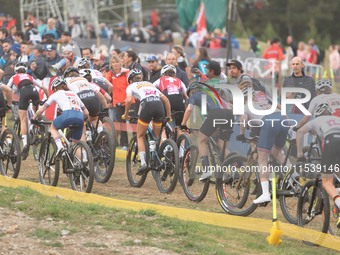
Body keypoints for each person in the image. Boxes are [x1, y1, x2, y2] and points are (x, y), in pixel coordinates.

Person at [235, 80, 289, 204]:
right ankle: (294, 176)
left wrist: (241, 134)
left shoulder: (245, 106)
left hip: (269, 123)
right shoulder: (263, 101)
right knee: (277, 154)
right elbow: (278, 106)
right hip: (282, 120)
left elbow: (243, 119)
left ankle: (265, 193)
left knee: (262, 159)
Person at [296, 103, 340, 227]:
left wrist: (299, 154)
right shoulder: (337, 119)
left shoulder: (316, 120)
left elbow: (300, 132)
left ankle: (338, 203)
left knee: (326, 182)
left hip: (331, 141)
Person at [180, 82, 233, 180]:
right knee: (222, 146)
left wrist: (183, 124)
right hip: (230, 114)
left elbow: (188, 110)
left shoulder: (194, 95)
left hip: (216, 113)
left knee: (201, 141)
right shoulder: (212, 94)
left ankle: (207, 170)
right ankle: (235, 171)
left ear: (191, 92)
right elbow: (231, 107)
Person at [122, 69, 171, 175]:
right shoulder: (149, 84)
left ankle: (144, 163)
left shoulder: (131, 86)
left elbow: (129, 100)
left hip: (147, 105)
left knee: (140, 135)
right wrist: (169, 117)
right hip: (159, 105)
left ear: (130, 81)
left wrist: (126, 114)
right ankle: (156, 156)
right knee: (156, 136)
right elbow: (166, 100)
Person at [32, 77, 88, 156]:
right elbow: (86, 112)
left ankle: (60, 146)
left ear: (55, 88)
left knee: (53, 127)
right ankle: (82, 165)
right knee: (75, 145)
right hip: (80, 117)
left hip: (67, 114)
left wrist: (34, 119)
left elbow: (41, 110)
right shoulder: (74, 94)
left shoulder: (56, 94)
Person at [6, 62, 49, 159]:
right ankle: (35, 125)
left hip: (24, 92)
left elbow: (8, 89)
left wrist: (7, 101)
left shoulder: (14, 77)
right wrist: (48, 100)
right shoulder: (29, 76)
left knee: (23, 120)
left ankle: (25, 143)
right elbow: (44, 88)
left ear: (16, 70)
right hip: (34, 91)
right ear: (25, 70)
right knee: (35, 113)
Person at [63, 67, 108, 139]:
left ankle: (83, 149)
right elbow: (100, 95)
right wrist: (106, 108)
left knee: (81, 127)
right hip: (93, 98)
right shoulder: (84, 79)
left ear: (66, 76)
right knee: (94, 119)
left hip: (81, 99)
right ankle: (101, 135)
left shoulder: (66, 80)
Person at [106, 56, 131, 148]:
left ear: (120, 63)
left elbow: (130, 86)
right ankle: (124, 144)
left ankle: (135, 142)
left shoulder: (127, 72)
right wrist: (109, 100)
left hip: (129, 101)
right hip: (117, 103)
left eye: (117, 62)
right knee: (121, 124)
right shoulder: (110, 73)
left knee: (133, 123)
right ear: (111, 64)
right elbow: (107, 86)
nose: (115, 64)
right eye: (113, 62)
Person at [153, 64, 188, 130]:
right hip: (179, 102)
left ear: (163, 74)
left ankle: (164, 138)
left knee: (162, 125)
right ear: (174, 75)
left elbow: (151, 88)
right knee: (180, 127)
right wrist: (185, 108)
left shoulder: (161, 79)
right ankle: (180, 139)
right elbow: (187, 96)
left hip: (167, 101)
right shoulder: (179, 81)